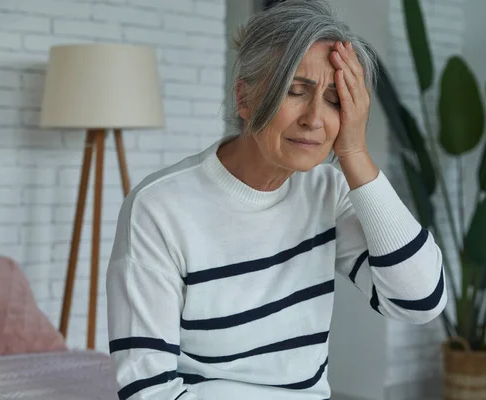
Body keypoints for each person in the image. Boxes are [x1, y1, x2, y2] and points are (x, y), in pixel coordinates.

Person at [105, 0, 446, 399]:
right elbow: (149, 391)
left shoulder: (328, 192)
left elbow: (420, 301)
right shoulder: (159, 209)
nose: (315, 119)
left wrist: (355, 154)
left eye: (336, 100)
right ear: (244, 98)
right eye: (295, 92)